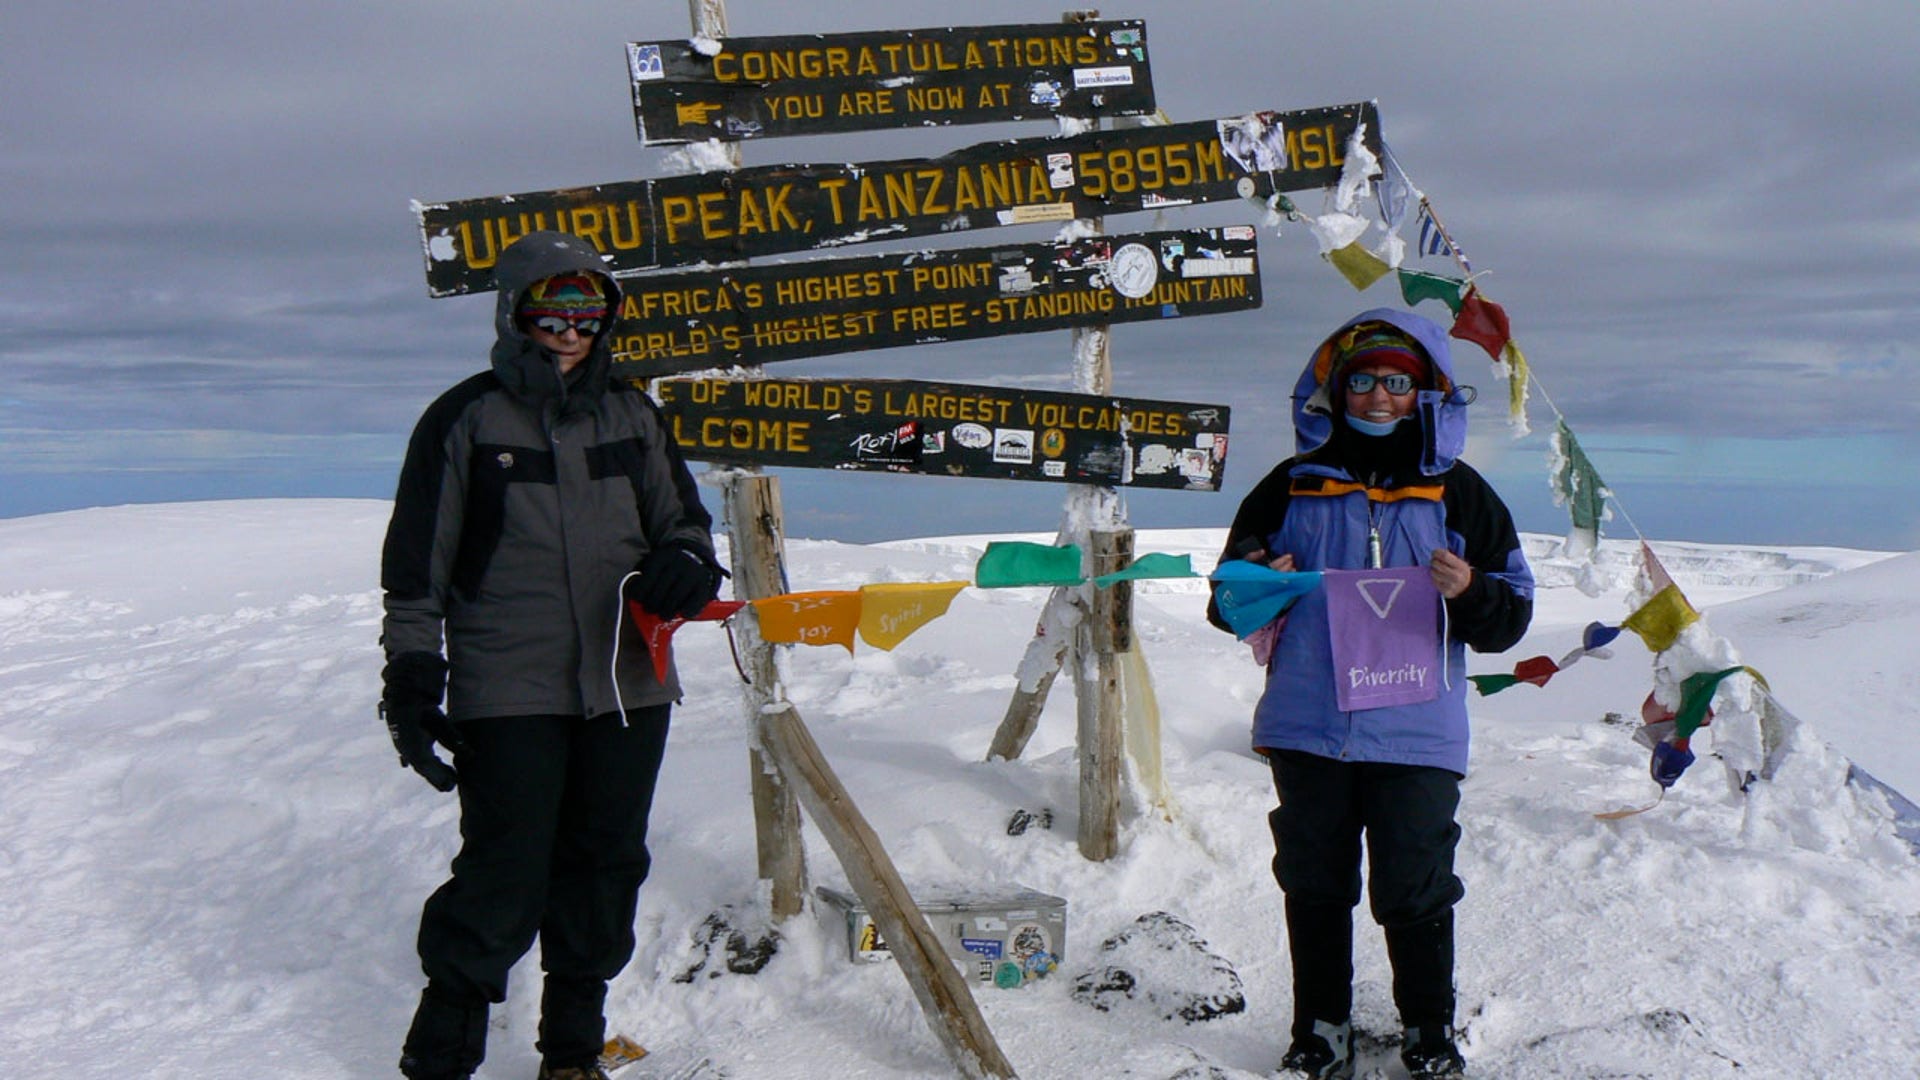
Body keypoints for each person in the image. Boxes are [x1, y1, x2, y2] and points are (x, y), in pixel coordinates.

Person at [379, 230, 724, 1080]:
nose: (571, 329)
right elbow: (416, 569)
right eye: (552, 310)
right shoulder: (464, 418)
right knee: (504, 867)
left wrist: (684, 561)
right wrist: (413, 677)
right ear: (515, 313)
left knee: (606, 864)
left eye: (588, 311)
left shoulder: (633, 414)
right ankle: (441, 1057)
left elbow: (682, 522)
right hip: (510, 684)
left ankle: (570, 1056)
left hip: (628, 681)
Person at [1208, 309, 1533, 1080]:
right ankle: (1320, 1031)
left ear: (1425, 393)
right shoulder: (1289, 487)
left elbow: (1509, 621)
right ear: (1335, 389)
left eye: (1397, 382)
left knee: (1414, 884)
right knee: (1314, 881)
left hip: (1417, 731)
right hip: (1307, 724)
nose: (1380, 398)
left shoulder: (1461, 492)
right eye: (1363, 381)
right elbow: (1226, 605)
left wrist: (1472, 591)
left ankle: (1428, 1033)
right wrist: (1264, 584)